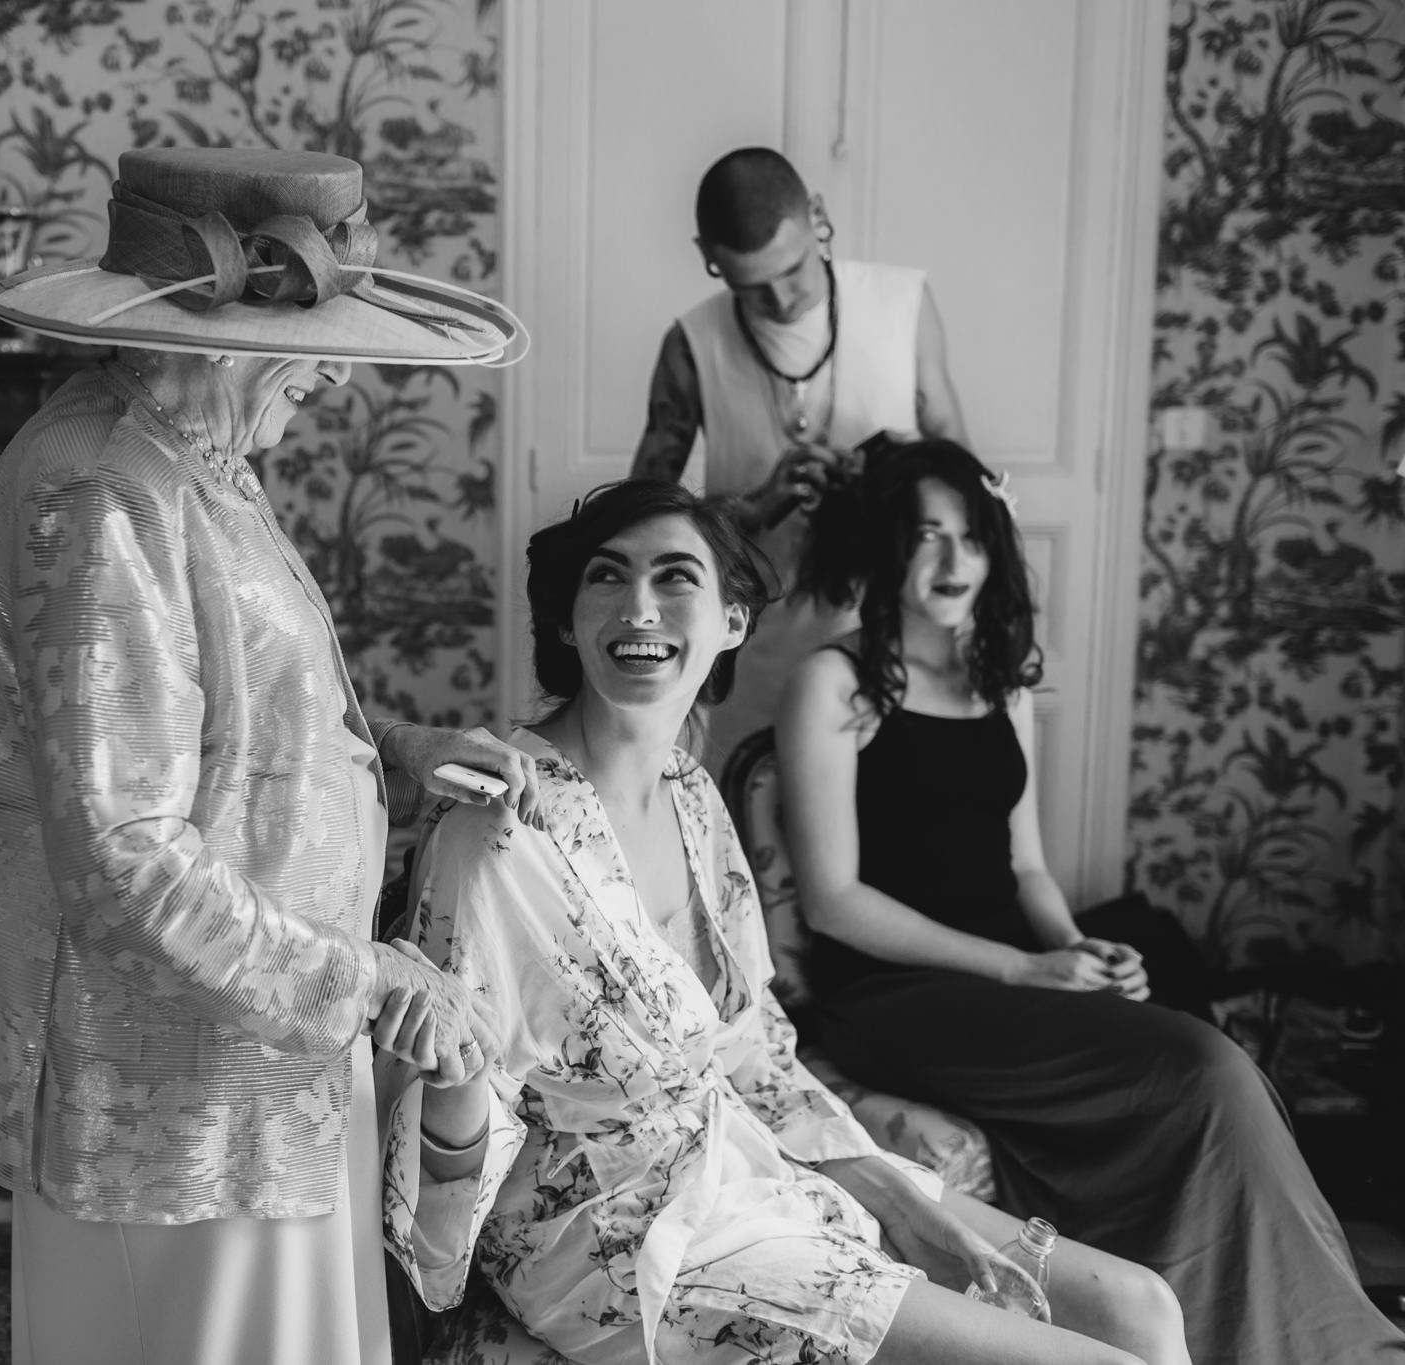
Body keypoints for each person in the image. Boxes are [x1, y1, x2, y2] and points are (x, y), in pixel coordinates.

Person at [0, 145, 534, 1365]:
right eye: (318, 339)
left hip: (244, 1062)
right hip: (160, 1095)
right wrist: (373, 983)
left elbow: (230, 715)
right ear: (215, 335)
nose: (329, 372)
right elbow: (123, 860)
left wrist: (403, 749)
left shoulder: (189, 461)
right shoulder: (103, 495)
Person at [383, 478, 1191, 1365]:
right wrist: (451, 1077)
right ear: (570, 622)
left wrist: (905, 1200)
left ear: (732, 620)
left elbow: (755, 1056)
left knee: (1140, 1309)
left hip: (748, 1172)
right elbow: (448, 1154)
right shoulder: (497, 834)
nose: (639, 606)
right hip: (612, 1242)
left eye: (676, 577)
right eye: (607, 578)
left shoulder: (693, 799)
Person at [776, 438, 1405, 1365]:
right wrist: (1032, 968)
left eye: (971, 537)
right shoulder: (833, 683)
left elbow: (1026, 866)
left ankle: (1263, 1332)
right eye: (924, 537)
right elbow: (832, 902)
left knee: (1201, 1056)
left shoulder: (999, 682)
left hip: (1016, 972)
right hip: (892, 996)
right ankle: (1337, 1349)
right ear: (882, 547)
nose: (953, 562)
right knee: (1204, 1064)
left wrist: (1080, 948)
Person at [631, 147, 969, 776]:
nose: (782, 298)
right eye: (751, 286)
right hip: (749, 650)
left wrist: (889, 478)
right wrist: (753, 507)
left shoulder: (905, 306)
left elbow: (961, 484)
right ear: (708, 254)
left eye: (794, 270)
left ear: (817, 217)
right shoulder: (691, 344)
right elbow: (638, 524)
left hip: (898, 646)